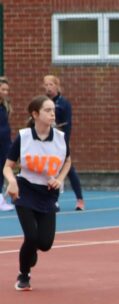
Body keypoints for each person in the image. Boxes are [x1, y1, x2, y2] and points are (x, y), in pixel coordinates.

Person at [3, 95, 71, 291]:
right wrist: (12, 182)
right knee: (31, 237)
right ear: (35, 114)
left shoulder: (60, 138)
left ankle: (31, 251)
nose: (52, 114)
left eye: (53, 110)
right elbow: (7, 166)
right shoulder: (24, 137)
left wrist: (60, 179)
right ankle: (24, 275)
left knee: (45, 243)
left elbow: (68, 161)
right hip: (25, 190)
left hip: (48, 194)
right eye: (47, 110)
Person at [43, 74, 85, 211]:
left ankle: (80, 199)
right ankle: (52, 200)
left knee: (69, 169)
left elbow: (67, 124)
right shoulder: (42, 102)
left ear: (57, 86)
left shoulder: (64, 103)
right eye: (46, 85)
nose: (48, 87)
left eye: (51, 84)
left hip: (60, 141)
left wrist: (64, 142)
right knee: (48, 170)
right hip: (46, 141)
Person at [0, 77, 14, 211]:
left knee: (4, 168)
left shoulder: (5, 106)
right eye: (3, 89)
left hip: (5, 142)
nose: (5, 92)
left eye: (7, 90)